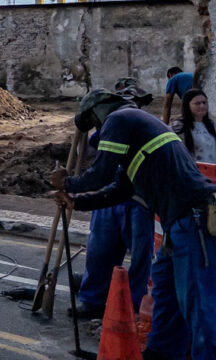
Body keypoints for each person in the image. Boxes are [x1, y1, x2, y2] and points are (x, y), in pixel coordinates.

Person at [50, 90, 216, 360]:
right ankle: (162, 355)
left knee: (202, 306)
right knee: (166, 294)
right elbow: (119, 190)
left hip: (194, 218)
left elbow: (100, 173)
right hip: (179, 222)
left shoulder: (119, 118)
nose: (99, 131)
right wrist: (76, 202)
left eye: (94, 122)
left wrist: (67, 182)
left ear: (99, 110)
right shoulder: (138, 136)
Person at [64, 78, 154, 319]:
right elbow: (99, 154)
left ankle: (133, 308)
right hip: (108, 199)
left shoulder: (141, 125)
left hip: (138, 200)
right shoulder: (110, 125)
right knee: (99, 253)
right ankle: (93, 300)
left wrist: (70, 184)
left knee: (141, 261)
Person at [171, 88, 216, 165]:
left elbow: (208, 151)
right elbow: (175, 154)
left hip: (211, 173)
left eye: (204, 102)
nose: (202, 106)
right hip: (192, 174)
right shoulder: (179, 125)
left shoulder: (211, 124)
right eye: (197, 103)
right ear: (187, 105)